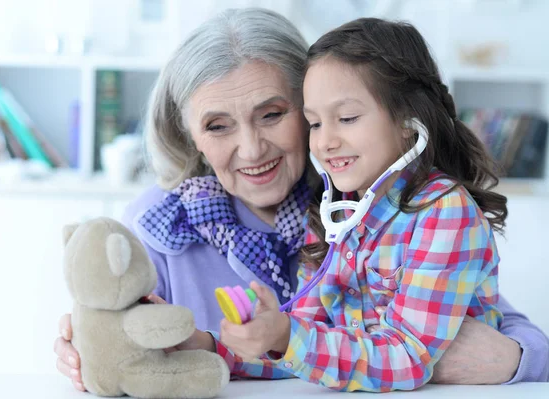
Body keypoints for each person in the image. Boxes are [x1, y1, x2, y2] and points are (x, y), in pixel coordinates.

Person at [53, 8, 548, 392]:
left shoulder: (357, 203)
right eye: (217, 125)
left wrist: (510, 358)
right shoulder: (160, 227)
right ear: (187, 135)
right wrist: (99, 347)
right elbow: (294, 339)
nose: (251, 149)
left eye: (272, 114)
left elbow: (514, 341)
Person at [213, 17, 543, 392]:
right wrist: (212, 347)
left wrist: (289, 337)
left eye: (347, 118)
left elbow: (407, 358)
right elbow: (306, 345)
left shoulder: (445, 212)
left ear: (407, 121)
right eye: (315, 124)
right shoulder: (332, 214)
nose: (325, 142)